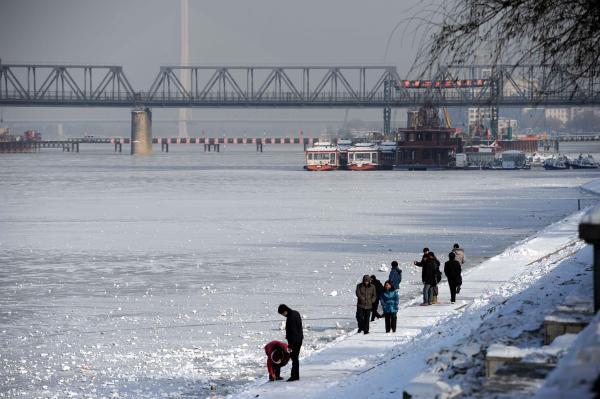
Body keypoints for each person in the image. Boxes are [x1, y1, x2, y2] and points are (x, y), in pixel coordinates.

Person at [277, 304, 303, 381]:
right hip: (299, 339)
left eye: (282, 313)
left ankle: (294, 376)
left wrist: (290, 345)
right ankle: (296, 375)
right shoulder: (296, 313)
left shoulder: (290, 318)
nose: (283, 315)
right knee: (295, 358)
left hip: (294, 341)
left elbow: (292, 332)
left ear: (285, 311)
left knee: (294, 359)